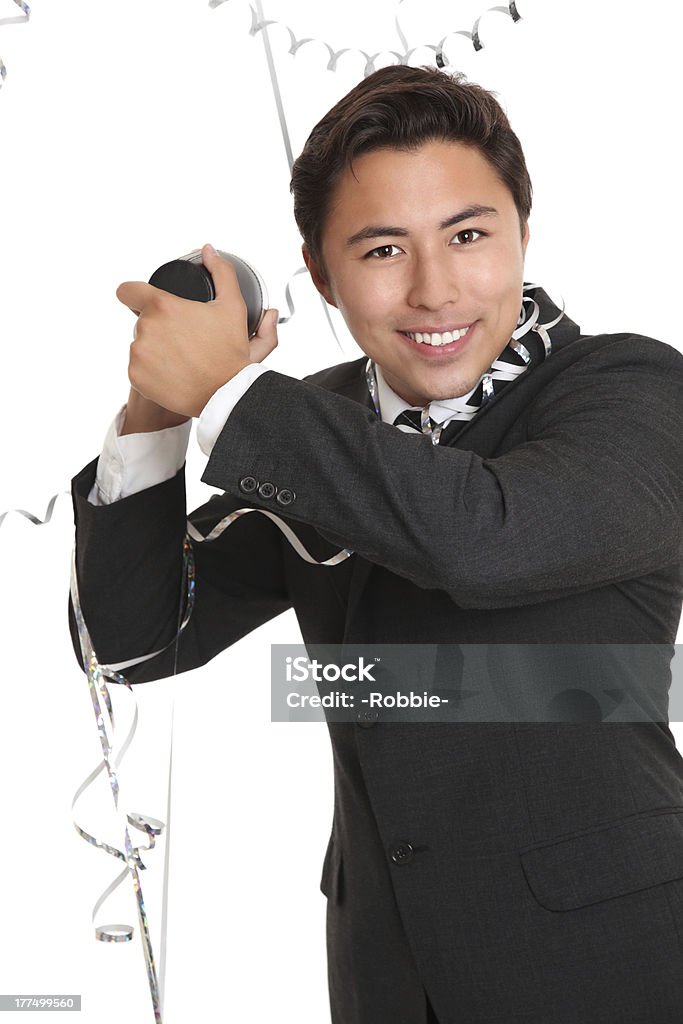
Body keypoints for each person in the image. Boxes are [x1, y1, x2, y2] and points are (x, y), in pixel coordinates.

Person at [69, 65, 683, 1023]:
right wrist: (158, 405)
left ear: (523, 231)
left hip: (613, 957)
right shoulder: (315, 422)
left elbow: (486, 540)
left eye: (470, 235)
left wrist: (227, 400)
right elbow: (135, 639)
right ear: (319, 275)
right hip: (384, 967)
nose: (435, 290)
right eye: (383, 249)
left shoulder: (633, 392)